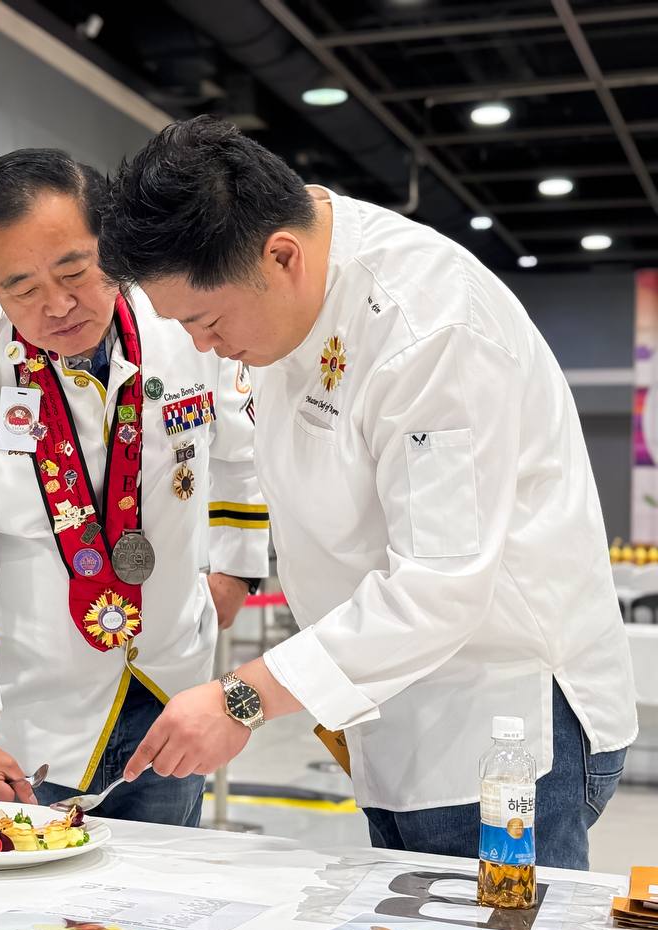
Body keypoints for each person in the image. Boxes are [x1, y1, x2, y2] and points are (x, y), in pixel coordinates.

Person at [99, 116, 637, 866]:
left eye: (208, 321)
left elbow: (441, 583)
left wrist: (243, 698)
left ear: (281, 256)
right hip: (388, 708)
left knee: (493, 929)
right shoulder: (288, 290)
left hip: (498, 716)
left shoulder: (429, 330)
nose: (202, 346)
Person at [0, 148, 269, 825]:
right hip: (40, 715)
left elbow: (241, 451)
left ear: (114, 245)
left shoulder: (180, 323)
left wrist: (235, 575)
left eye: (75, 271)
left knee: (169, 883)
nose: (59, 305)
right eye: (22, 289)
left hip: (170, 686)